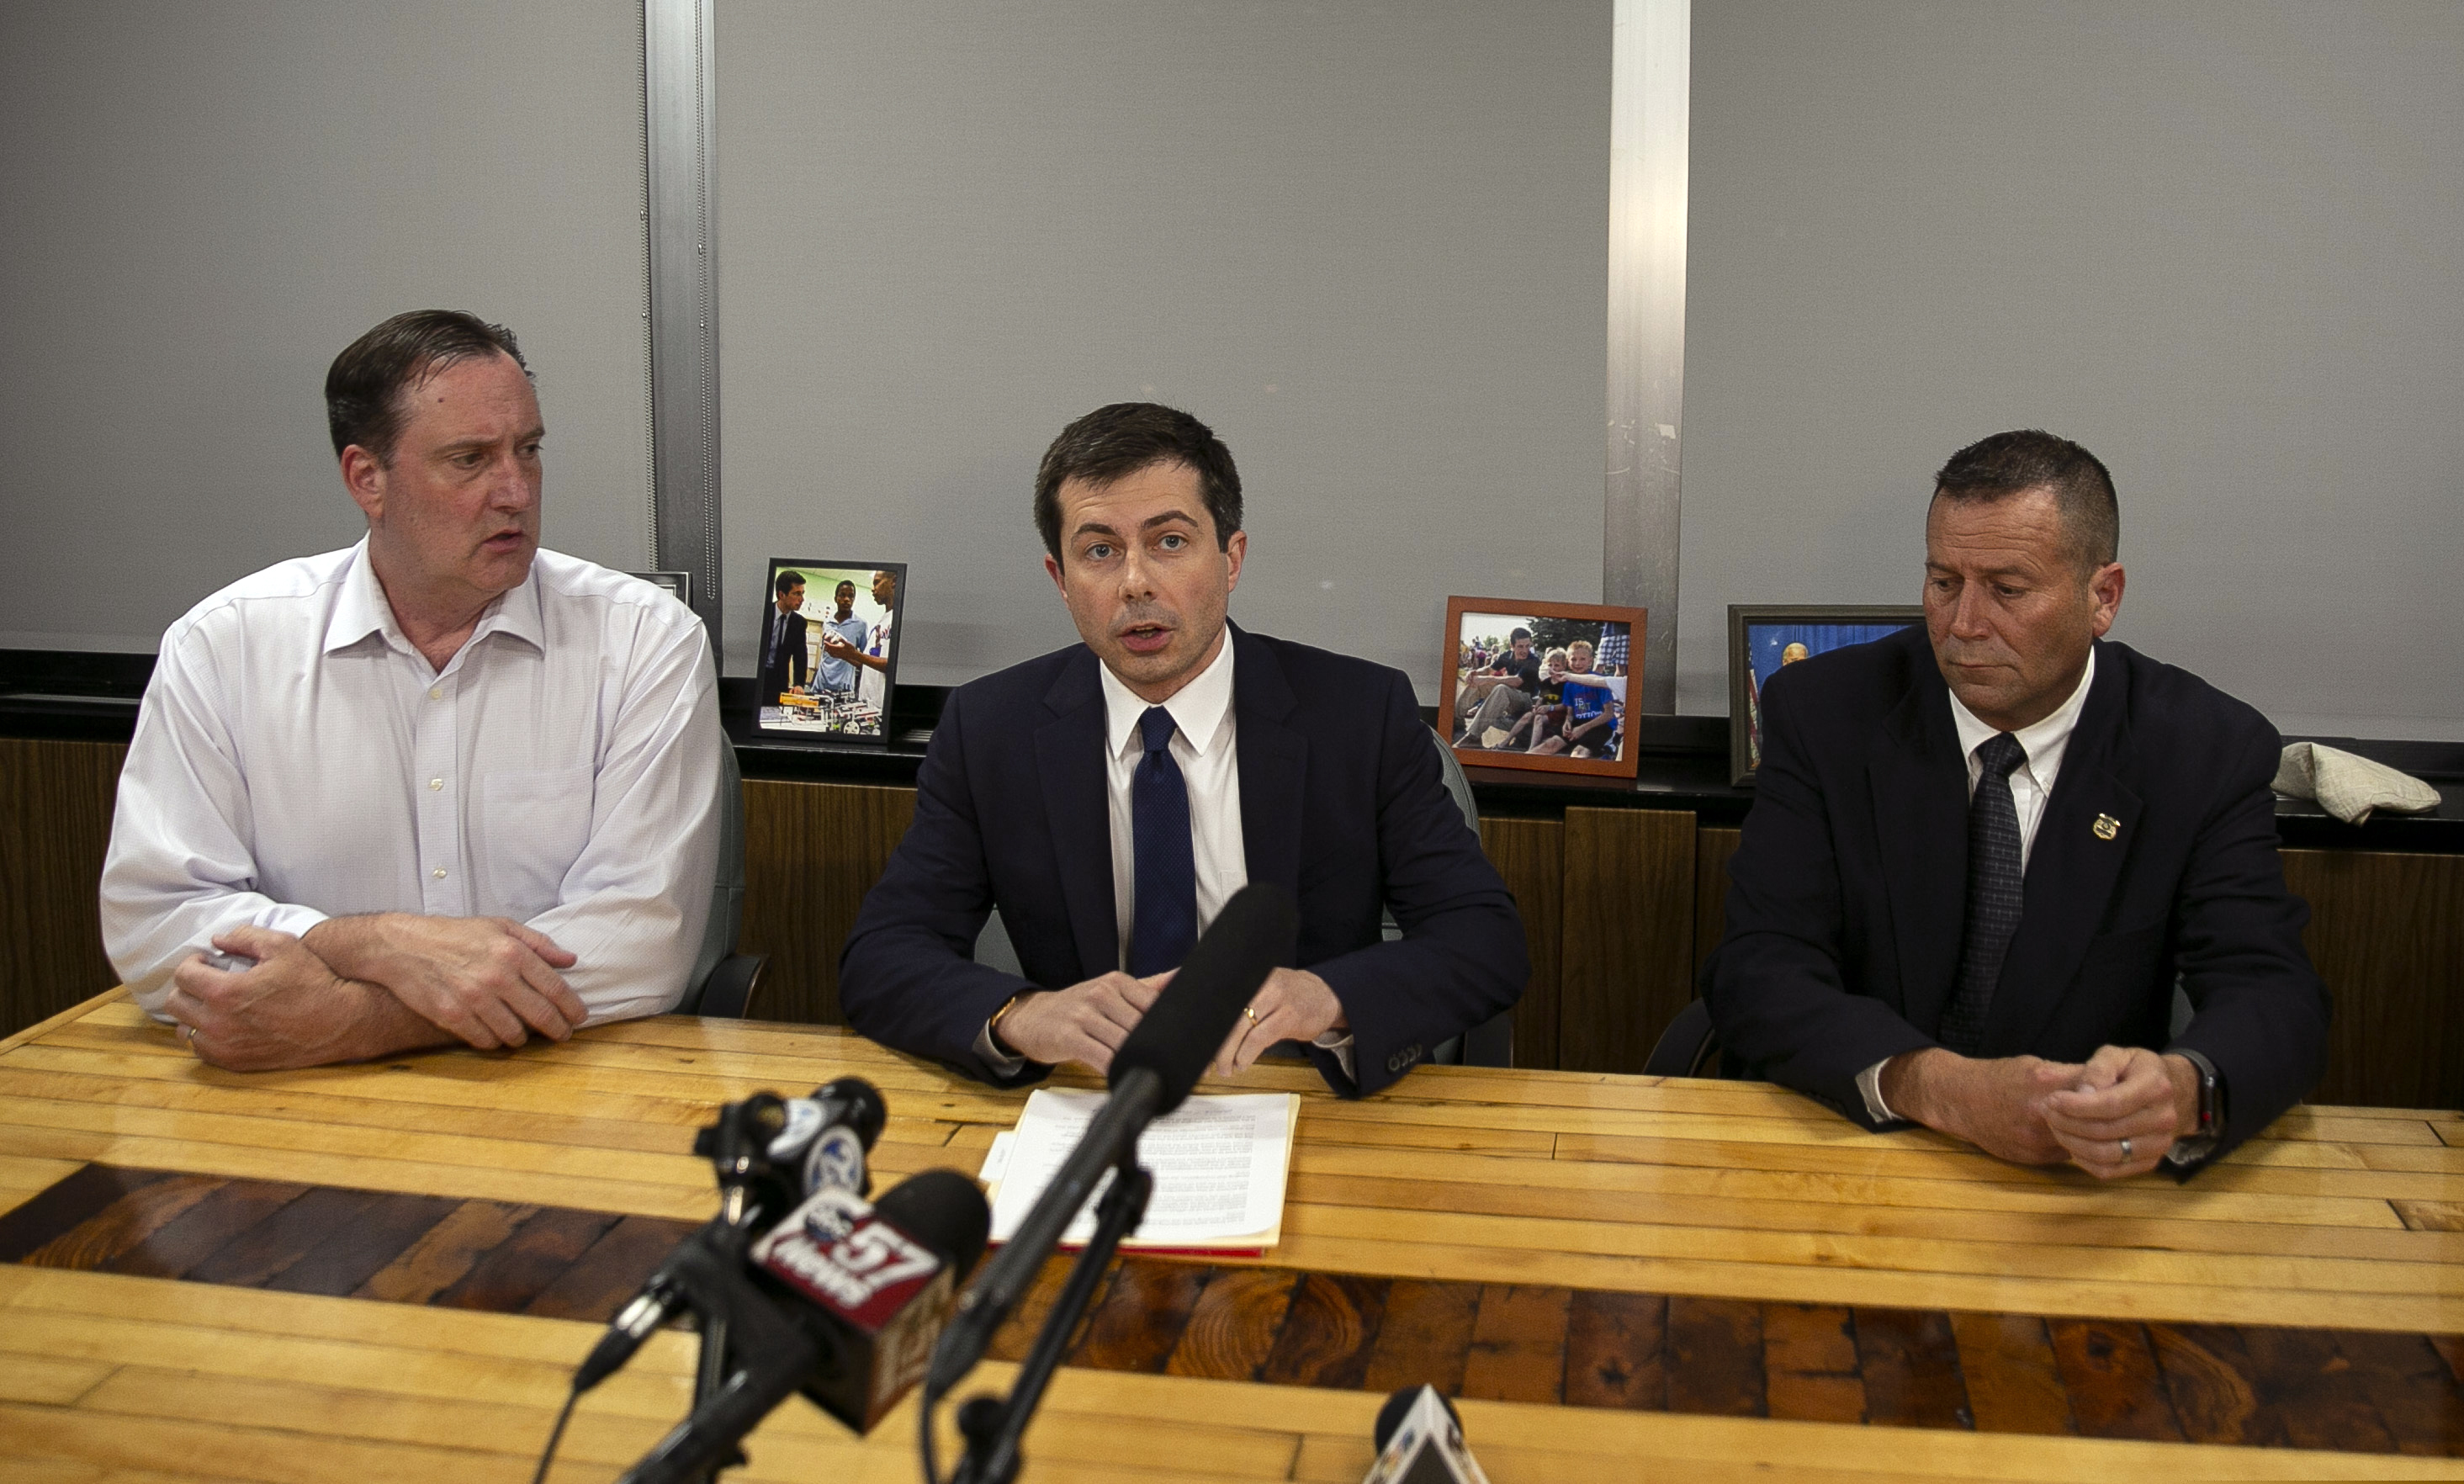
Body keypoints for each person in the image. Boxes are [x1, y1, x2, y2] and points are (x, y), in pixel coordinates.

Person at [99, 310, 723, 1072]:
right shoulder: (225, 646)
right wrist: (366, 941)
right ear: (368, 479)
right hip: (290, 1102)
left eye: (528, 452)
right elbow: (156, 920)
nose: (516, 492)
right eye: (469, 459)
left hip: (561, 1087)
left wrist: (357, 1023)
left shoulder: (640, 641)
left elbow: (641, 942)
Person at [840, 402, 1525, 1095]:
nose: (1135, 582)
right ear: (1060, 579)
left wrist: (1324, 996)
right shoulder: (992, 728)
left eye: (1169, 542)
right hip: (1088, 1101)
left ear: (1231, 557)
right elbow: (884, 955)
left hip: (1299, 1099)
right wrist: (1023, 1014)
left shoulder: (1356, 716)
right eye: (1100, 550)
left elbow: (1481, 940)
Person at [1702, 429, 2328, 1179]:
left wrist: (2183, 1088)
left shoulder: (2200, 748)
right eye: (1942, 583)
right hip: (1851, 1145)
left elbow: (2271, 991)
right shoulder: (1826, 713)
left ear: (2103, 597)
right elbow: (1760, 965)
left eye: (2006, 590)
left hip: (2072, 1172)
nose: (1963, 624)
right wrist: (1936, 1086)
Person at [824, 568, 898, 712]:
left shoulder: (899, 620)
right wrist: (845, 655)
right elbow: (867, 664)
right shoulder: (881, 622)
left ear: (894, 581)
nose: (873, 589)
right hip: (866, 705)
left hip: (882, 708)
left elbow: (894, 666)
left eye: (877, 583)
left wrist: (855, 654)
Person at [1453, 628, 1539, 746]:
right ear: (1512, 646)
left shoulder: (1533, 660)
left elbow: (1517, 681)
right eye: (1520, 646)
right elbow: (1490, 669)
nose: (1525, 650)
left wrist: (1487, 679)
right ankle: (1456, 721)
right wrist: (1475, 673)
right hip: (1510, 695)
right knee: (1478, 684)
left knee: (1501, 688)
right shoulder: (1507, 656)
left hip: (1525, 701)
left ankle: (1474, 736)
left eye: (1527, 646)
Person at [758, 570, 810, 700]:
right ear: (781, 594)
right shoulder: (763, 614)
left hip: (779, 682)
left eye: (802, 593)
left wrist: (799, 684)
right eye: (796, 593)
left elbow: (800, 656)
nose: (802, 599)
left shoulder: (799, 623)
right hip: (757, 677)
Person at [815, 579, 868, 694]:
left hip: (843, 689)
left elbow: (865, 660)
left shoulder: (861, 625)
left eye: (851, 596)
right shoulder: (827, 622)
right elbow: (824, 653)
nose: (847, 599)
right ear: (836, 599)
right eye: (842, 595)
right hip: (820, 685)